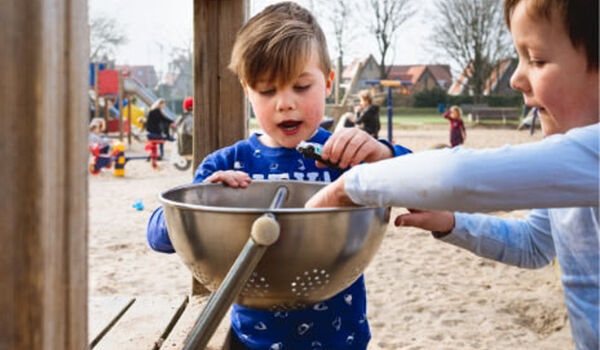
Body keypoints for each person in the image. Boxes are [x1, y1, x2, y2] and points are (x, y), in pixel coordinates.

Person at [306, 0, 598, 348]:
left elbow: (458, 176)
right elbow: (535, 244)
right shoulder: (570, 172)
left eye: (535, 59)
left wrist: (348, 187)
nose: (517, 78)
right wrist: (452, 223)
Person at [146, 2, 411, 349]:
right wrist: (202, 202)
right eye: (267, 91)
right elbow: (157, 235)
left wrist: (384, 153)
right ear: (246, 90)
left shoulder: (347, 156)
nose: (284, 103)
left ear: (328, 82)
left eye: (301, 86)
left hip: (340, 339)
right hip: (252, 341)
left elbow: (420, 183)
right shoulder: (229, 164)